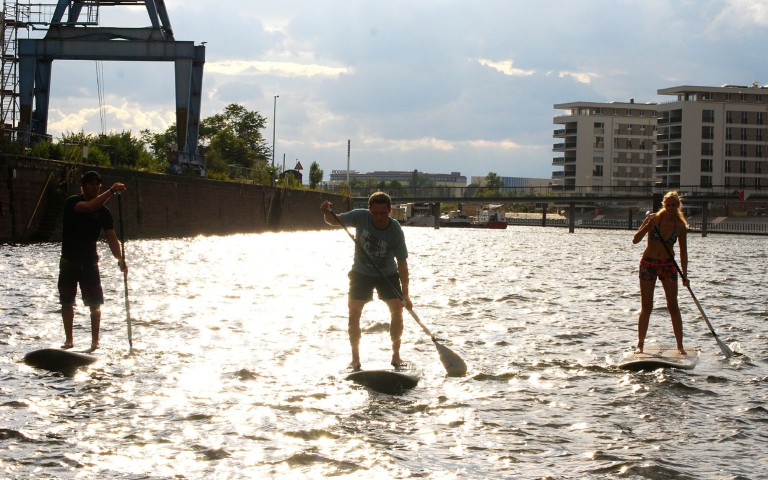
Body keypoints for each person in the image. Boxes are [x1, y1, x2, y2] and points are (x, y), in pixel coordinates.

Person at [321, 192, 412, 370]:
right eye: (375, 213)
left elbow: (402, 264)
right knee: (354, 314)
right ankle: (355, 359)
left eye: (383, 213)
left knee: (397, 311)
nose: (378, 217)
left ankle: (396, 356)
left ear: (390, 211)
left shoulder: (395, 231)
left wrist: (406, 295)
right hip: (361, 273)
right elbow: (334, 220)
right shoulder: (360, 216)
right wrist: (326, 212)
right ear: (369, 210)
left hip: (387, 274)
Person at [58, 170, 127, 351]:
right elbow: (88, 207)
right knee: (67, 301)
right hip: (69, 261)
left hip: (90, 263)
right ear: (83, 186)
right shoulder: (72, 202)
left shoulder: (104, 212)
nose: (95, 187)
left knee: (95, 303)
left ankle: (95, 341)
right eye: (91, 184)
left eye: (98, 185)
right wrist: (111, 191)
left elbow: (112, 238)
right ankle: (69, 340)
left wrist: (120, 259)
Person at [632, 191, 689, 355]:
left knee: (673, 306)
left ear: (678, 206)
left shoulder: (680, 226)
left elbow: (684, 253)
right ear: (664, 205)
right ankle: (640, 345)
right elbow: (635, 240)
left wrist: (685, 276)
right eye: (668, 205)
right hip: (648, 265)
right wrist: (646, 226)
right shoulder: (653, 219)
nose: (671, 208)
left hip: (668, 266)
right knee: (646, 307)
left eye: (674, 205)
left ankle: (680, 346)